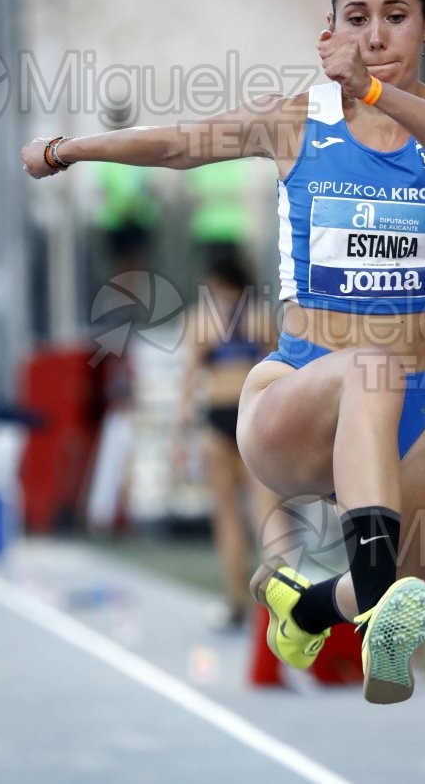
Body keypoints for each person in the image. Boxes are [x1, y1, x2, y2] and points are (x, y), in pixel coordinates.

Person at [21, 0, 425, 704]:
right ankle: (373, 596)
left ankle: (307, 607)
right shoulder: (299, 124)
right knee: (371, 368)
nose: (376, 37)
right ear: (331, 29)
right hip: (293, 399)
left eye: (395, 16)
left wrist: (377, 98)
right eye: (357, 19)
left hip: (411, 413)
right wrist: (69, 148)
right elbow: (183, 144)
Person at [173, 249, 282, 630]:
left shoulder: (202, 319)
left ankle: (237, 601)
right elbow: (280, 371)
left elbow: (189, 381)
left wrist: (179, 436)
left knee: (228, 517)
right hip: (254, 416)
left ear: (217, 282)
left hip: (219, 419)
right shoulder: (261, 317)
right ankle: (282, 601)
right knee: (267, 514)